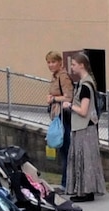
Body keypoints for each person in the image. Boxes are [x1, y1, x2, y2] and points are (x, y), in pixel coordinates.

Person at [65, 52, 105, 200]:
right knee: (85, 160)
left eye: (74, 64)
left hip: (84, 128)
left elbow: (83, 110)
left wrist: (69, 106)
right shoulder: (86, 83)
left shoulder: (85, 86)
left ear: (82, 65)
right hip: (84, 127)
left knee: (84, 160)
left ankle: (86, 192)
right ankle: (84, 190)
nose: (72, 68)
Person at [45, 50, 72, 188]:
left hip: (64, 116)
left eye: (53, 62)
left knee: (65, 149)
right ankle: (65, 181)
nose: (50, 65)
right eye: (48, 62)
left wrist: (54, 99)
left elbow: (68, 96)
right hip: (57, 115)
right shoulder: (55, 76)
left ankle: (66, 182)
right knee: (61, 149)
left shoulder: (63, 76)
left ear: (60, 62)